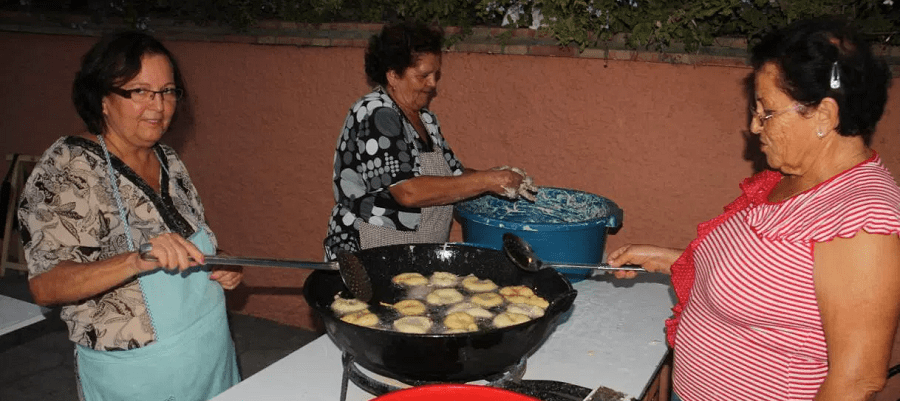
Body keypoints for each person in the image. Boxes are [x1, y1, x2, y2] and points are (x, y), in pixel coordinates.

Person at [607, 18, 899, 401]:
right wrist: (673, 259)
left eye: (767, 112)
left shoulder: (861, 219)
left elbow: (858, 380)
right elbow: (779, 280)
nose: (754, 126)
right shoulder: (794, 179)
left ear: (824, 116)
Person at [17, 31, 242, 400]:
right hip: (139, 376)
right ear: (103, 99)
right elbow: (46, 285)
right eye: (139, 91)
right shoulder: (68, 170)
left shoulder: (168, 159)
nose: (158, 106)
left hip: (209, 353)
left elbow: (191, 237)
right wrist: (137, 260)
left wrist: (224, 264)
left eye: (168, 91)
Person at [324, 21, 536, 259]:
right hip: (372, 252)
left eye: (436, 74)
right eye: (423, 75)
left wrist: (497, 175)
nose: (433, 84)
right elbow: (407, 191)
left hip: (417, 252)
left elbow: (455, 177)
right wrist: (487, 180)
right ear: (393, 75)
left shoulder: (425, 119)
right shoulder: (376, 113)